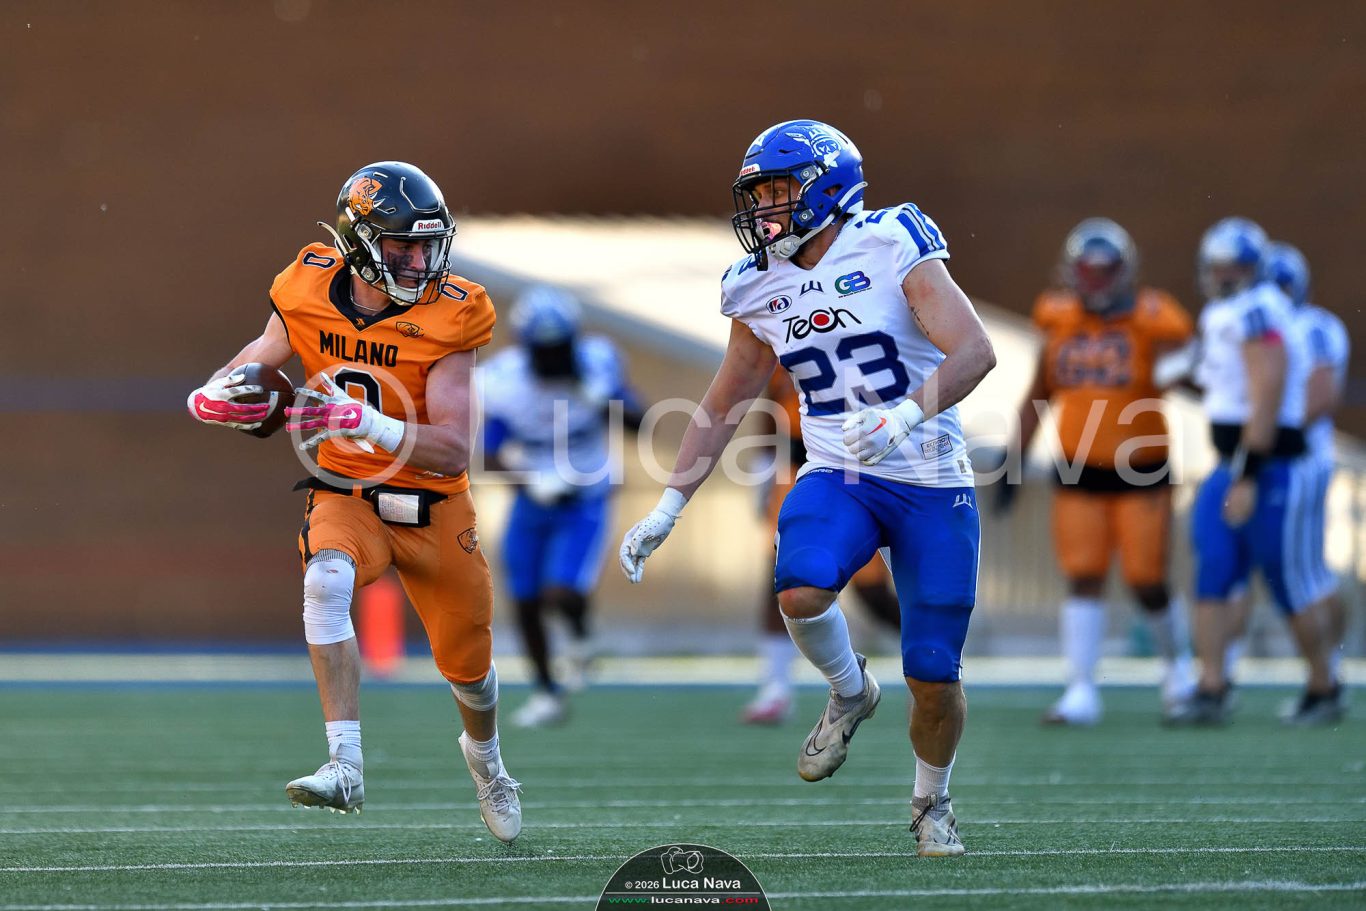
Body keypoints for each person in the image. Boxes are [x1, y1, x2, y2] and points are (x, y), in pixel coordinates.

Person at [618, 120, 995, 857]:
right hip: (838, 471)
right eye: (757, 196)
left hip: (930, 475)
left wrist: (904, 413)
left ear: (826, 186)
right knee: (799, 586)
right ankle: (850, 689)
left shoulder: (891, 241)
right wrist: (668, 505)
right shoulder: (756, 282)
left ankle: (932, 800)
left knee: (933, 672)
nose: (763, 210)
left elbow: (975, 350)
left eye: (777, 192)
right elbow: (726, 399)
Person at [185, 161, 522, 840]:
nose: (420, 261)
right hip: (348, 491)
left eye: (427, 246)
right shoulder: (307, 283)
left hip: (433, 504)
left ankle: (487, 761)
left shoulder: (454, 309)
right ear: (360, 242)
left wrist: (363, 420)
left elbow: (453, 448)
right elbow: (265, 354)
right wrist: (215, 390)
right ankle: (345, 763)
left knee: (471, 672)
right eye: (403, 246)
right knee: (325, 581)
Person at [998, 218, 1196, 725]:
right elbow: (1040, 391)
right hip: (1078, 469)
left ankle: (1179, 674)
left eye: (1106, 271)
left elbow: (1187, 372)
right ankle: (1081, 690)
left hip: (1141, 467)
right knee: (1083, 575)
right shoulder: (1058, 317)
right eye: (1089, 271)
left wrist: (1183, 360)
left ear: (1125, 272)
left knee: (1147, 579)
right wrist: (1013, 457)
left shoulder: (1155, 317)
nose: (1097, 281)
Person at [1168, 217, 1334, 725]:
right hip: (1233, 463)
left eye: (1234, 266)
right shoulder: (1231, 311)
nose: (1223, 275)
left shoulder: (1257, 310)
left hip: (1268, 466)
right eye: (1217, 265)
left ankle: (1324, 687)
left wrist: (1247, 472)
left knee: (1289, 583)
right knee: (1212, 570)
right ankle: (1211, 686)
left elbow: (1269, 389)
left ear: (1253, 268)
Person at [479, 285, 643, 727]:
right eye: (544, 350)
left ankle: (581, 632)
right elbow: (489, 453)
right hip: (532, 497)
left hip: (586, 496)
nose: (553, 358)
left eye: (559, 348)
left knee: (561, 592)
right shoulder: (504, 380)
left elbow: (641, 422)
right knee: (524, 599)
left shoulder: (597, 363)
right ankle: (547, 692)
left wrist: (606, 398)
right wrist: (530, 482)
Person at [744, 370, 900, 725]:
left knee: (873, 594)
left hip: (857, 472)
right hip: (799, 471)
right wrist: (763, 465)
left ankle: (931, 655)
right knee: (780, 579)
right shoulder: (781, 345)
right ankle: (776, 688)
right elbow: (772, 404)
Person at [1266, 241, 1348, 722]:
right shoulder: (1303, 324)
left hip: (1297, 461)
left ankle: (1323, 685)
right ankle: (1330, 674)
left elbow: (1322, 391)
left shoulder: (1308, 326)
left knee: (1298, 577)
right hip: (1302, 457)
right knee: (1314, 574)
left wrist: (1271, 437)